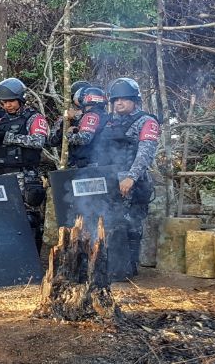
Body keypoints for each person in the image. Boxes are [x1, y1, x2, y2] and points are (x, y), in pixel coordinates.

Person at [94, 77, 160, 278]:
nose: (119, 103)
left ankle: (128, 268)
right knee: (107, 222)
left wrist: (131, 177)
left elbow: (145, 152)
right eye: (115, 100)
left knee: (131, 225)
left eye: (124, 99)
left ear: (135, 101)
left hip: (132, 181)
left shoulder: (147, 121)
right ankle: (109, 266)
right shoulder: (109, 122)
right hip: (108, 180)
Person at [0, 77, 49, 247]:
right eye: (3, 102)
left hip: (25, 175)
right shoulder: (1, 120)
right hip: (1, 176)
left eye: (11, 102)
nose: (7, 106)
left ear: (20, 99)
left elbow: (38, 141)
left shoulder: (34, 118)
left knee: (30, 220)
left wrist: (7, 137)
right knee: (2, 219)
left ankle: (32, 261)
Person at [61, 85, 108, 168]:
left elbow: (84, 139)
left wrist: (69, 134)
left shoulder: (91, 115)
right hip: (98, 161)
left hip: (88, 164)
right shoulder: (103, 114)